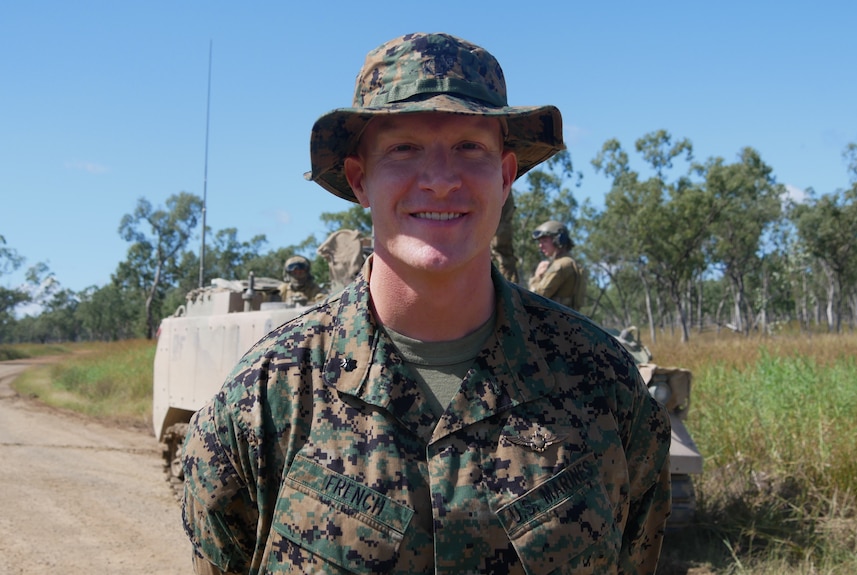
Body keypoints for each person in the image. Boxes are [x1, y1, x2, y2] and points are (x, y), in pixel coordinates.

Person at [182, 32, 671, 575]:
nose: (440, 181)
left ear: (505, 175)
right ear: (359, 179)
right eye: (404, 148)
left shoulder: (604, 385)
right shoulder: (265, 399)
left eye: (470, 147)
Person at [528, 220, 588, 312]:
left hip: (554, 321)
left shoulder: (560, 265)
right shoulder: (572, 263)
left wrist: (536, 277)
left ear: (558, 240)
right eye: (539, 242)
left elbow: (536, 299)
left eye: (544, 241)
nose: (540, 246)